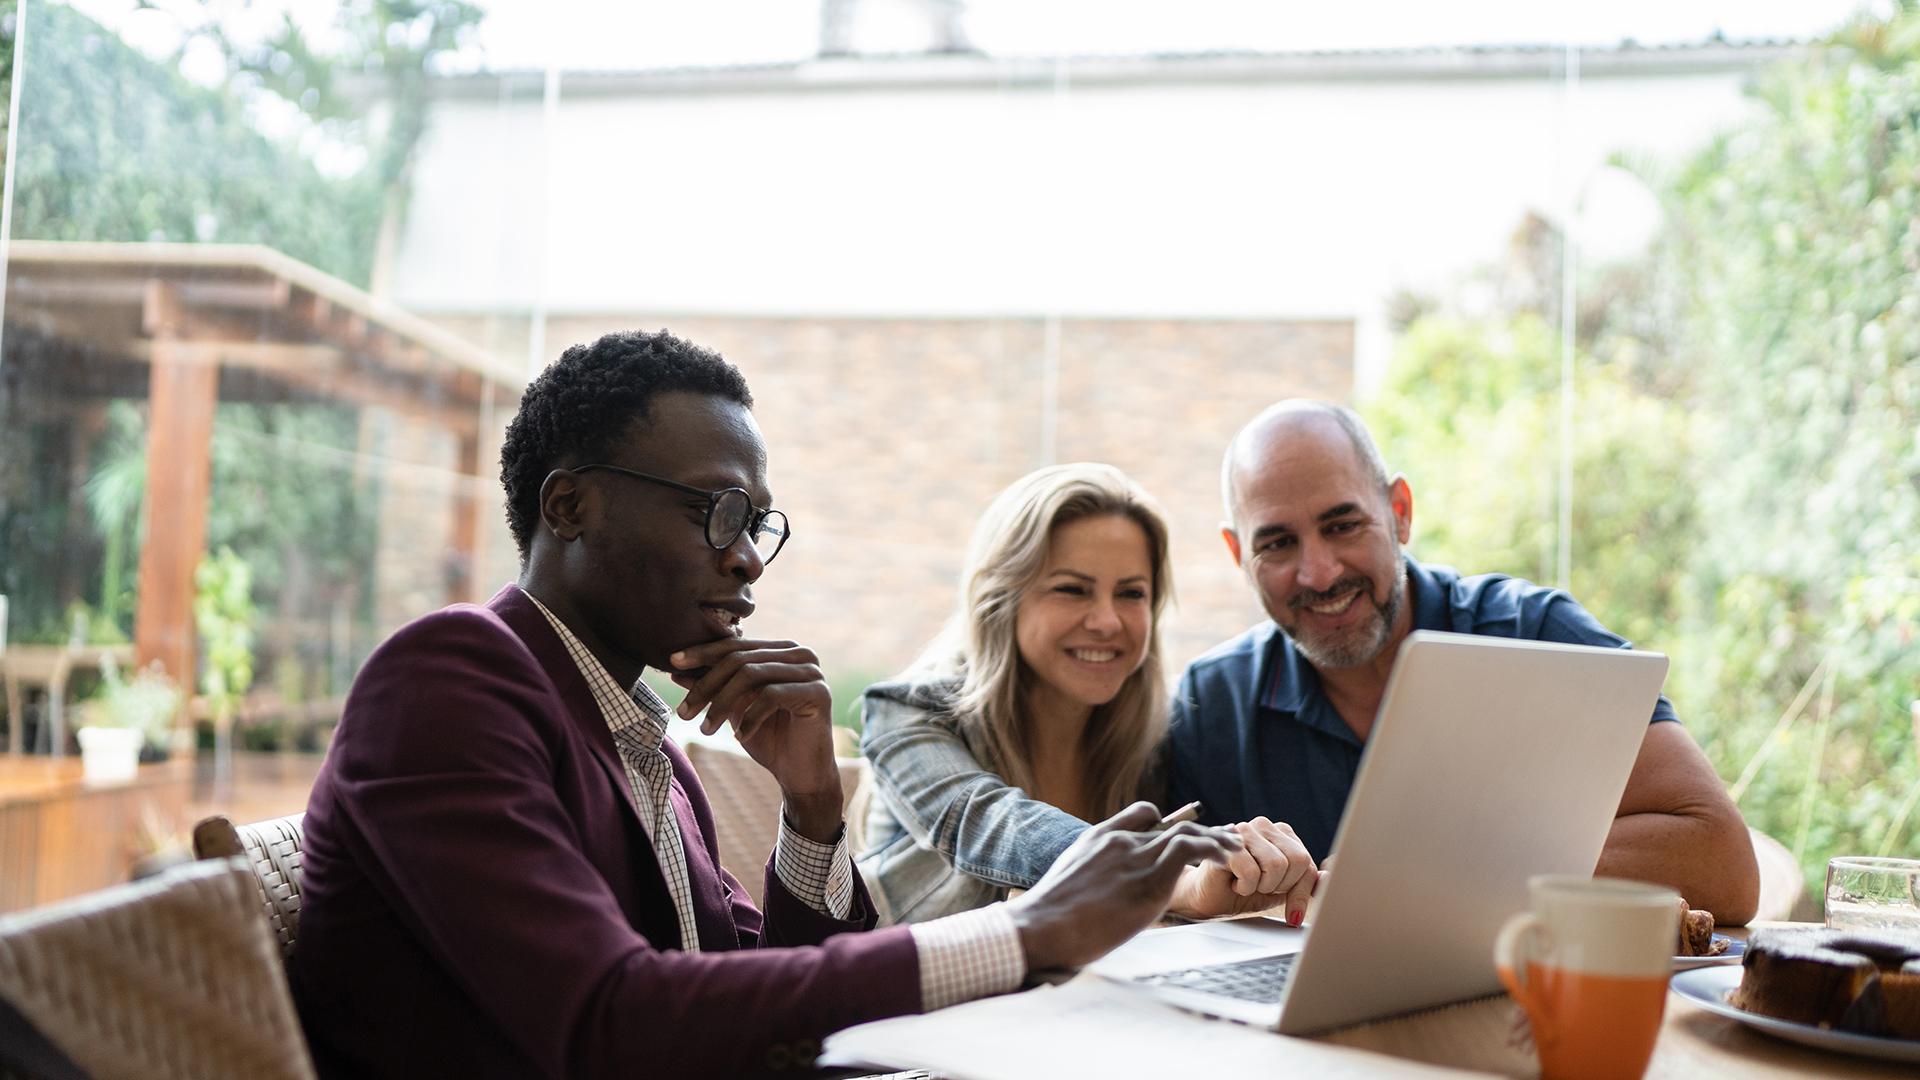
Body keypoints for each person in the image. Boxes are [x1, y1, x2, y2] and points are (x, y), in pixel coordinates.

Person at [288, 330, 1242, 1080]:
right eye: (718, 511)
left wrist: (814, 810)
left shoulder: (637, 737)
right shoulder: (452, 677)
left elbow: (768, 1011)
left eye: (757, 525)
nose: (746, 557)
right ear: (570, 507)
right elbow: (610, 1022)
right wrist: (1027, 932)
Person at [1165, 400, 1761, 924]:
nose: (1319, 572)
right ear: (1238, 552)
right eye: (1276, 543)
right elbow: (1130, 878)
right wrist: (1194, 888)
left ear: (1399, 511)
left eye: (1342, 525)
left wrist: (1436, 872)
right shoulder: (1210, 704)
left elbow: (1723, 863)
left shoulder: (1538, 634)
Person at [860, 464, 1318, 927]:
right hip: (912, 994)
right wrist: (1172, 880)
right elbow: (989, 826)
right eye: (1072, 590)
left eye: (1131, 593)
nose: (1107, 621)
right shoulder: (907, 712)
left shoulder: (1158, 736)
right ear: (1002, 599)